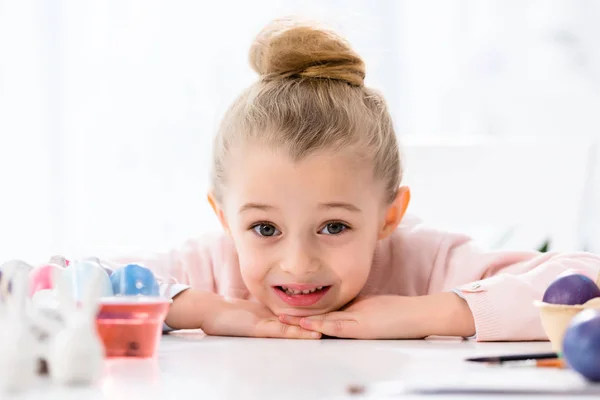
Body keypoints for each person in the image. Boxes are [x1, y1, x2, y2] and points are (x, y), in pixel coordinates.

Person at [105, 18, 600, 341]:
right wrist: (204, 311)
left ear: (390, 216)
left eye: (334, 227)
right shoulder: (210, 267)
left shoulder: (425, 264)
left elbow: (590, 282)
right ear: (224, 217)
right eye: (264, 229)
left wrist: (433, 314)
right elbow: (67, 279)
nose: (298, 265)